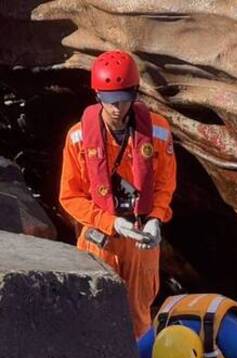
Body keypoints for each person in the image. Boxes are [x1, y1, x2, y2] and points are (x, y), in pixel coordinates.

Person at [59, 50, 177, 338]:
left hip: (140, 237)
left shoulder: (158, 131)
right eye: (109, 100)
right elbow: (69, 196)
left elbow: (165, 184)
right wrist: (111, 222)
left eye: (123, 99)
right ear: (97, 95)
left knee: (139, 317)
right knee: (93, 314)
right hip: (99, 238)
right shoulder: (78, 137)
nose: (116, 108)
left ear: (134, 93)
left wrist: (155, 219)